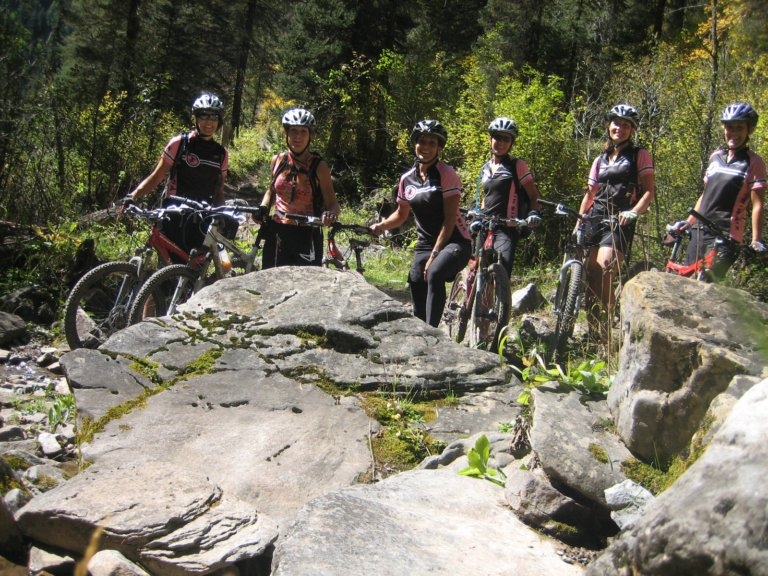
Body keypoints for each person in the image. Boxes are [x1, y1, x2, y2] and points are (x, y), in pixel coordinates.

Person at [370, 119, 472, 327]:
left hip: (455, 241)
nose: (425, 147)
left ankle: (432, 334)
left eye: (432, 143)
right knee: (416, 281)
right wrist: (381, 226)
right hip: (425, 243)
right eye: (421, 141)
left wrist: (434, 254)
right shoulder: (407, 179)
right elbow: (401, 214)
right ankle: (420, 332)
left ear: (439, 148)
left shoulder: (446, 174)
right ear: (415, 143)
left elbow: (450, 220)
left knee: (434, 272)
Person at [576, 104, 655, 333]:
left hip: (620, 219)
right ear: (609, 126)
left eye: (626, 124)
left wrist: (634, 212)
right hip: (595, 217)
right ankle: (594, 332)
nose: (620, 128)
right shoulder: (600, 159)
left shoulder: (639, 155)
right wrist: (579, 221)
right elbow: (590, 194)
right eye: (616, 123)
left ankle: (608, 328)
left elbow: (649, 191)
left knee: (605, 268)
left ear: (632, 130)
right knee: (591, 274)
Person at [669, 102, 767, 278]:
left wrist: (756, 240)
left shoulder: (754, 162)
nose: (733, 133)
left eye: (739, 128)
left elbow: (758, 204)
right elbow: (705, 194)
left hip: (726, 235)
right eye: (729, 127)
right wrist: (689, 222)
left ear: (749, 130)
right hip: (699, 230)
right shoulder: (716, 156)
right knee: (686, 281)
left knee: (706, 284)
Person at [255, 108, 340, 268]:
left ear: (310, 136)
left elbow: (333, 204)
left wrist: (330, 215)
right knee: (271, 280)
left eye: (303, 132)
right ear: (286, 133)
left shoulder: (319, 167)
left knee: (306, 283)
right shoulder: (278, 160)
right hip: (277, 232)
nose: (298, 136)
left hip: (307, 234)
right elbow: (271, 191)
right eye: (293, 131)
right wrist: (263, 207)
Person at [128, 92, 228, 207]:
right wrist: (132, 196)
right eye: (204, 115)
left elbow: (219, 192)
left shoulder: (221, 154)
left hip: (204, 214)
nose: (209, 121)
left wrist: (223, 213)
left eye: (214, 116)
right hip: (174, 210)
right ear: (196, 118)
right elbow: (156, 177)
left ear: (219, 121)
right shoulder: (180, 143)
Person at [476, 117, 543, 276]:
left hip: (507, 227)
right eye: (497, 137)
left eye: (506, 139)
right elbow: (487, 197)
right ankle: (470, 291)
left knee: (502, 273)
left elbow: (534, 195)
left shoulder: (517, 165)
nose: (500, 142)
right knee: (478, 270)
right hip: (486, 225)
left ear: (511, 142)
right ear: (490, 138)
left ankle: (499, 294)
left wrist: (534, 213)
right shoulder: (485, 168)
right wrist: (477, 216)